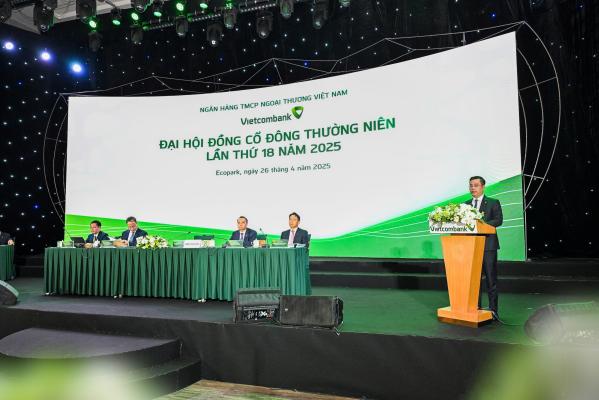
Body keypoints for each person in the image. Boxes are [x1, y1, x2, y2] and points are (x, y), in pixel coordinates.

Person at [466, 176, 503, 320]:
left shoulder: (493, 202)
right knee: (474, 280)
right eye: (471, 185)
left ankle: (493, 310)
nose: (472, 188)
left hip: (488, 246)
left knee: (490, 279)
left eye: (475, 185)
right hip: (471, 247)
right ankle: (475, 308)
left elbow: (498, 220)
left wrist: (482, 224)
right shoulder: (465, 205)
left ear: (482, 187)